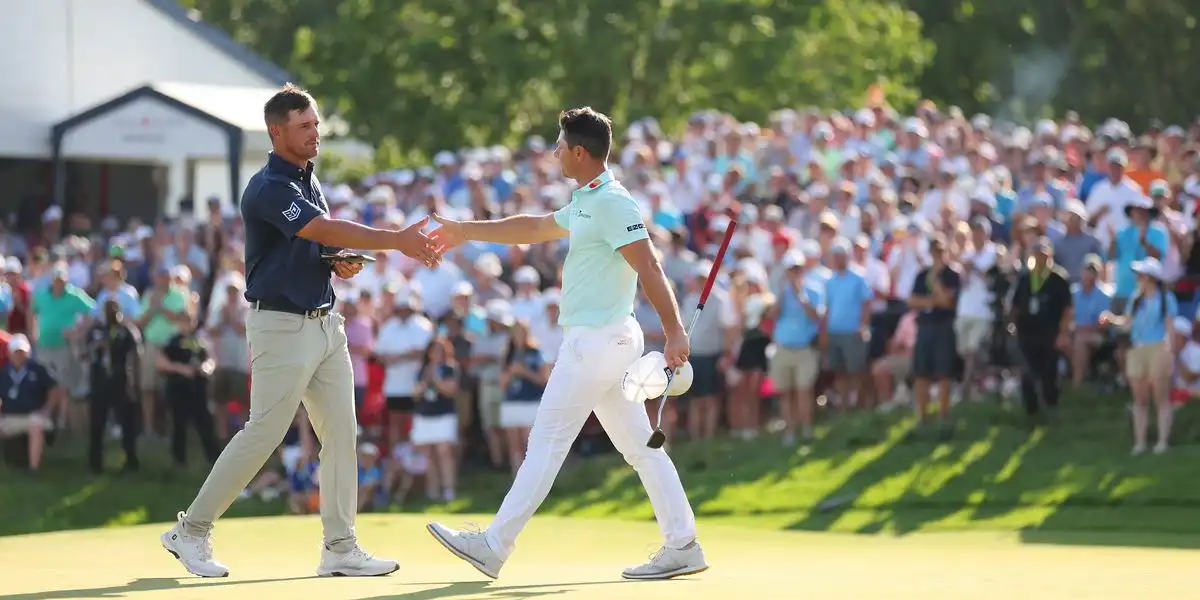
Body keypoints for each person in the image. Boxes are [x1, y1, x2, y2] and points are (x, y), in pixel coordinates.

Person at [161, 84, 439, 578]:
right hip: (281, 326)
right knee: (264, 432)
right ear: (277, 131)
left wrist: (337, 263)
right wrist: (397, 240)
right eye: (305, 126)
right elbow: (320, 230)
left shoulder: (309, 180)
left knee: (341, 436)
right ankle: (191, 531)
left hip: (325, 323)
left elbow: (317, 245)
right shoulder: (269, 186)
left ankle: (340, 546)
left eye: (316, 125)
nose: (316, 134)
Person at [426, 107, 706, 581]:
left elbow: (650, 267)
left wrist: (675, 330)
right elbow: (533, 228)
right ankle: (683, 544)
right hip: (607, 344)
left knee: (546, 443)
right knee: (641, 448)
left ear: (579, 151)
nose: (554, 151)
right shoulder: (587, 199)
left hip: (596, 344)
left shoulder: (614, 202)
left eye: (559, 145)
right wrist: (465, 231)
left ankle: (494, 545)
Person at [1100, 257, 1178, 454]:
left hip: (1158, 348)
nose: (1138, 278)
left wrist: (1171, 351)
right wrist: (1111, 320)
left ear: (1151, 278)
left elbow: (1170, 327)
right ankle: (1140, 443)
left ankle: (1162, 442)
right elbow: (1127, 324)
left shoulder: (1165, 299)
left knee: (1161, 398)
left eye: (1141, 275)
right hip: (1137, 350)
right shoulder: (1136, 299)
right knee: (1139, 400)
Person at [1008, 237, 1073, 421]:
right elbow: (1015, 306)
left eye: (1043, 255)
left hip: (1050, 332)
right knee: (1027, 371)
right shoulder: (1025, 279)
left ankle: (1051, 407)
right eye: (1036, 255)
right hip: (1027, 332)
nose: (1040, 259)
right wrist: (1011, 325)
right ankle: (1031, 411)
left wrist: (1063, 333)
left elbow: (1068, 309)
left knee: (1049, 371)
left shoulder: (1058, 279)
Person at [908, 234, 961, 440]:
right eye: (933, 251)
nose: (936, 255)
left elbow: (948, 302)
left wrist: (936, 283)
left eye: (940, 251)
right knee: (921, 373)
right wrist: (932, 300)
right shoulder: (922, 275)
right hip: (925, 327)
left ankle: (943, 414)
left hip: (943, 326)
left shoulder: (952, 275)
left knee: (943, 372)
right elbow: (912, 301)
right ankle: (922, 416)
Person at [769, 250, 824, 444]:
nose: (794, 273)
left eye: (797, 269)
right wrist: (782, 297)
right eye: (791, 270)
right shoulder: (780, 291)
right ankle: (790, 431)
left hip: (804, 348)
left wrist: (801, 296)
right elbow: (773, 316)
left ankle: (807, 428)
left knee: (804, 390)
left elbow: (816, 317)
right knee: (786, 392)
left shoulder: (814, 289)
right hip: (783, 347)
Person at [84, 298, 142, 473]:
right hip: (100, 380)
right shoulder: (96, 331)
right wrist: (96, 346)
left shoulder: (127, 331)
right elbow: (84, 352)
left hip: (121, 380)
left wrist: (133, 382)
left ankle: (130, 460)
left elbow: (136, 355)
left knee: (127, 422)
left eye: (115, 310)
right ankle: (95, 462)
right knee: (97, 423)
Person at [158, 313, 222, 468]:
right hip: (178, 388)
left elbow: (210, 360)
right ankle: (179, 461)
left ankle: (214, 459)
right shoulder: (172, 342)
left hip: (198, 389)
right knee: (178, 425)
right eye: (183, 321)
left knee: (205, 424)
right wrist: (179, 368)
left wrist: (205, 368)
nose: (186, 325)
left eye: (189, 321)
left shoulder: (199, 342)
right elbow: (160, 362)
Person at [411, 335, 462, 501]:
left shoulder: (450, 368)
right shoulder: (422, 370)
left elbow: (451, 390)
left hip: (443, 414)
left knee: (444, 452)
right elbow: (416, 393)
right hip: (425, 415)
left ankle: (448, 489)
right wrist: (426, 380)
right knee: (428, 455)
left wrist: (436, 380)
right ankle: (432, 490)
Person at [0, 334, 61, 472]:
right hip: (10, 417)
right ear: (9, 353)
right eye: (16, 352)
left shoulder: (39, 369)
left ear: (28, 352)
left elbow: (54, 389)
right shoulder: (3, 373)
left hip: (33, 416)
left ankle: (34, 469)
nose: (19, 356)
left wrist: (47, 410)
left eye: (21, 352)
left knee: (36, 426)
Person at [499, 319, 550, 474]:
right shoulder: (508, 355)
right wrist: (511, 373)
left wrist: (525, 372)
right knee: (515, 446)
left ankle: (535, 477)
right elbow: (502, 384)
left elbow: (544, 380)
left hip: (531, 402)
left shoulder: (537, 353)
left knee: (530, 444)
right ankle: (517, 479)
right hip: (511, 403)